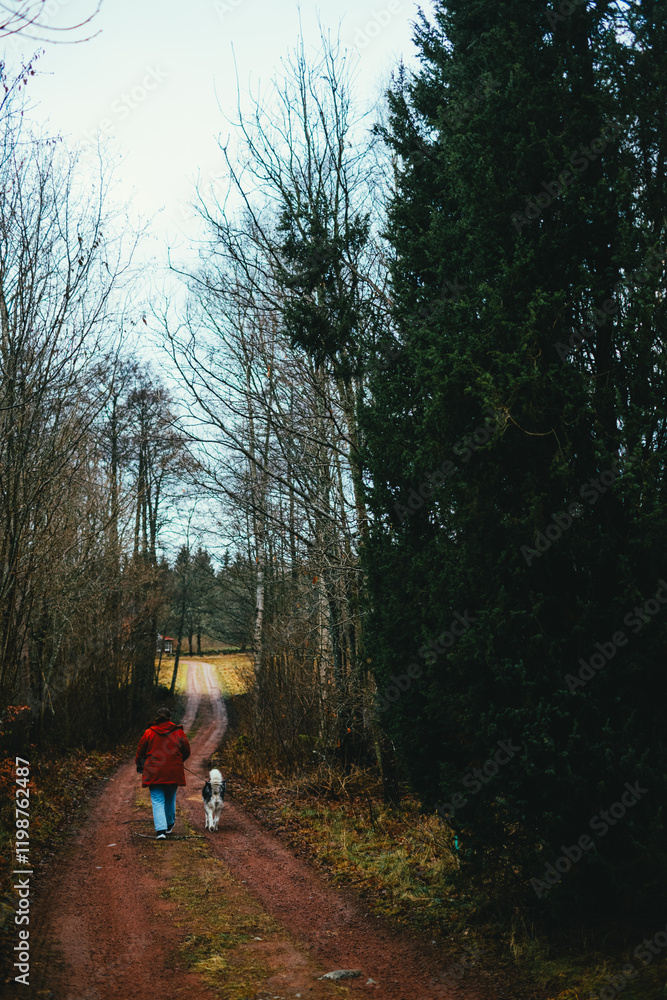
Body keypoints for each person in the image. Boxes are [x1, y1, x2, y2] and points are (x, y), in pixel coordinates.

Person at [136, 707, 191, 839]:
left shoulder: (149, 733)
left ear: (157, 718)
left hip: (154, 771)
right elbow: (186, 750)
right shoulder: (178, 732)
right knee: (170, 798)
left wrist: (141, 765)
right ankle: (169, 824)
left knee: (157, 800)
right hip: (173, 771)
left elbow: (140, 752)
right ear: (170, 718)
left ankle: (160, 831)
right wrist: (178, 761)